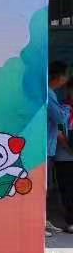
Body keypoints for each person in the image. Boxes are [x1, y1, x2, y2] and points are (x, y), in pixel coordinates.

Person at [48, 61, 70, 237]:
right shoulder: (49, 94)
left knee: (47, 186)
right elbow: (60, 117)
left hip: (50, 148)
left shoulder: (50, 93)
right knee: (45, 186)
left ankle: (44, 219)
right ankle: (41, 221)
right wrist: (67, 108)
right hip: (48, 148)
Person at [54, 79, 73, 233]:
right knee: (67, 190)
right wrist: (69, 148)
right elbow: (58, 133)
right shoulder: (62, 109)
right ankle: (71, 220)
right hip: (64, 157)